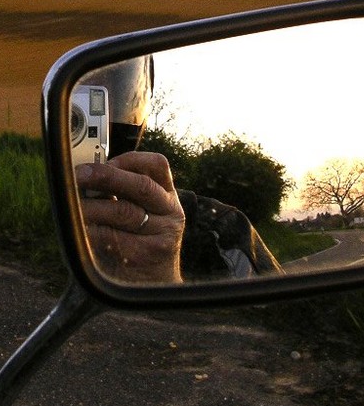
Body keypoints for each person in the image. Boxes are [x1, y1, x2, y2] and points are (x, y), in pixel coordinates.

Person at [73, 57, 281, 284]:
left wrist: (161, 279)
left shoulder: (217, 230)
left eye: (80, 105)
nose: (65, 119)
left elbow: (272, 317)